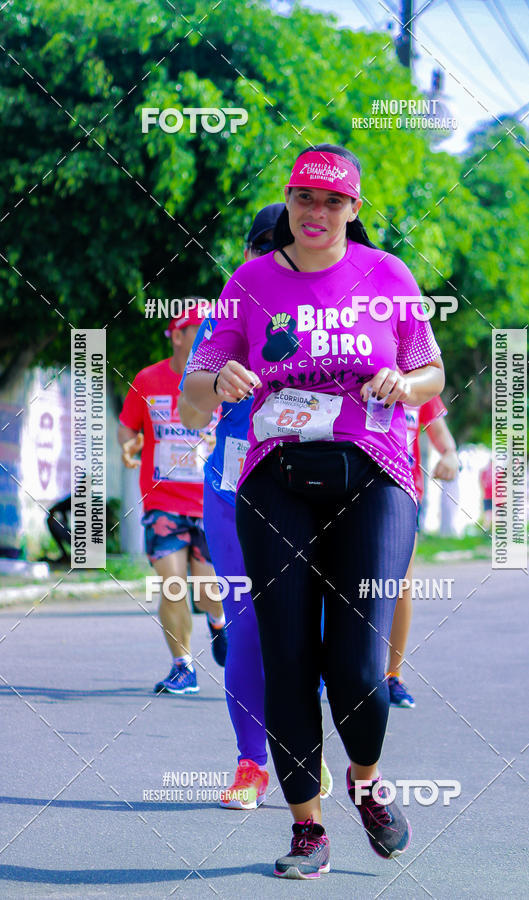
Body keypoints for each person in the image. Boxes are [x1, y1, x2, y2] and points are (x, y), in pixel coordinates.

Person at [183, 143, 444, 878]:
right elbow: (194, 392)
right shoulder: (250, 282)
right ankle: (306, 827)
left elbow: (432, 370)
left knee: (359, 662)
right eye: (305, 198)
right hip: (277, 477)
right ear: (289, 203)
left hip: (375, 472)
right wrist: (221, 379)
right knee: (286, 653)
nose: (317, 213)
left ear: (354, 210)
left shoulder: (388, 275)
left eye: (334, 201)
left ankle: (364, 783)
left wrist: (406, 381)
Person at [179, 204, 333, 809]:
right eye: (262, 244)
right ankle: (251, 762)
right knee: (246, 630)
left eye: (284, 243)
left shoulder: (331, 311)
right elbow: (191, 412)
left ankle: (302, 752)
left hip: (315, 491)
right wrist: (215, 386)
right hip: (234, 492)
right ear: (247, 252)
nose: (274, 253)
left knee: (311, 633)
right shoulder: (225, 315)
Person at [118, 306, 227, 695]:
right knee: (172, 583)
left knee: (207, 589)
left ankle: (217, 622)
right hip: (163, 501)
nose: (203, 335)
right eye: (195, 329)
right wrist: (129, 446)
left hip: (210, 500)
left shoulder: (223, 379)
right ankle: (183, 666)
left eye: (207, 329)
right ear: (177, 335)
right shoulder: (148, 379)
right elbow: (128, 428)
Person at [386, 400, 459, 708]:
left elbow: (443, 438)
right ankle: (325, 670)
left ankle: (393, 675)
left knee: (400, 585)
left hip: (403, 492)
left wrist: (450, 456)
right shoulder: (361, 362)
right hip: (352, 488)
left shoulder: (421, 385)